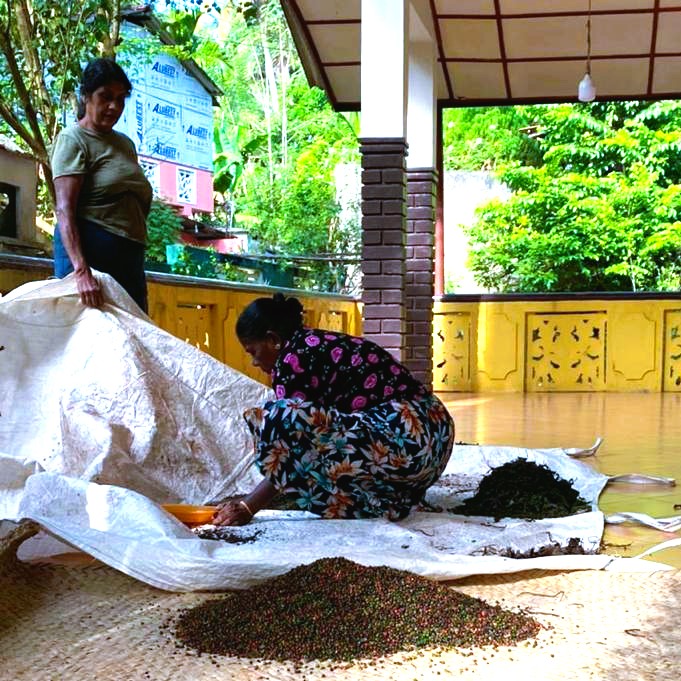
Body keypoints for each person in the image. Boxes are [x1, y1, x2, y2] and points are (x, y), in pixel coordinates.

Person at [213, 293, 455, 525]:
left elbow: (290, 442)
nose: (255, 362)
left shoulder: (291, 360)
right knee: (320, 439)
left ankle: (380, 503)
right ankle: (394, 499)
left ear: (273, 339)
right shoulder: (313, 343)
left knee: (277, 419)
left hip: (409, 437)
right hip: (435, 438)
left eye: (253, 352)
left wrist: (247, 506)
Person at [52, 58, 153, 312]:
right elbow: (64, 209)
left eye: (120, 99)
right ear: (86, 96)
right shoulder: (72, 139)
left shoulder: (125, 144)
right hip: (90, 259)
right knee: (91, 342)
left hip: (128, 257)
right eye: (105, 96)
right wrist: (81, 272)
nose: (114, 106)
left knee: (131, 342)